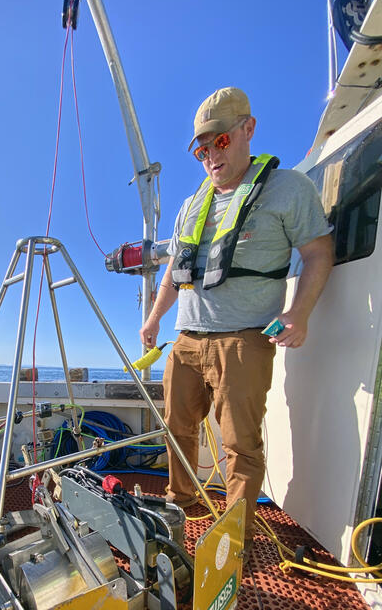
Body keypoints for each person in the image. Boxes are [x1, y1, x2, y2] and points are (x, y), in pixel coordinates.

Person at [140, 87, 334, 555]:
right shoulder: (193, 203)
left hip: (243, 341)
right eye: (201, 149)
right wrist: (154, 319)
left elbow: (317, 251)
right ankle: (179, 508)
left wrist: (299, 313)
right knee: (177, 429)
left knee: (239, 446)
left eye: (220, 142)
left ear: (247, 130)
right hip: (186, 339)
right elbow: (174, 270)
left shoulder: (288, 188)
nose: (210, 156)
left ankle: (234, 540)